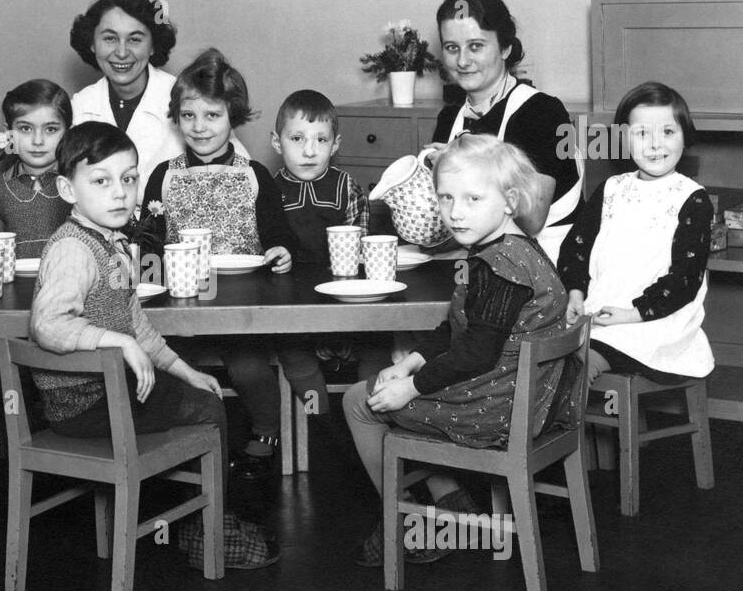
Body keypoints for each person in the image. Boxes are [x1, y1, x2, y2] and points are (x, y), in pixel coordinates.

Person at [29, 121, 278, 570]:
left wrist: (185, 371)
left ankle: (201, 514)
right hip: (83, 406)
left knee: (199, 390)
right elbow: (47, 324)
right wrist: (114, 340)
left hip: (100, 399)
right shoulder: (73, 250)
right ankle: (209, 529)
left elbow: (140, 328)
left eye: (128, 178)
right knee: (212, 410)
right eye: (101, 181)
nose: (120, 192)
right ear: (67, 190)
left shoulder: (116, 245)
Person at [343, 134, 575, 565]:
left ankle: (405, 521)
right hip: (529, 399)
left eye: (471, 198)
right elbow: (458, 329)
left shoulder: (499, 267)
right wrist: (412, 361)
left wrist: (412, 386)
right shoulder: (515, 247)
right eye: (446, 197)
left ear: (508, 201)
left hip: (497, 409)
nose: (455, 212)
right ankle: (446, 502)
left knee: (359, 401)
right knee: (385, 385)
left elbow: (476, 354)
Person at [140, 48, 298, 479]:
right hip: (181, 303)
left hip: (240, 302)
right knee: (169, 365)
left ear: (233, 116)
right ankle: (191, 437)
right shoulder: (163, 176)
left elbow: (277, 235)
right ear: (177, 118)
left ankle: (266, 430)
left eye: (212, 115)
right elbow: (149, 241)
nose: (199, 127)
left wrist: (280, 253)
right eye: (189, 116)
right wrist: (147, 272)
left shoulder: (254, 175)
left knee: (247, 367)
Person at [559, 81, 714, 383]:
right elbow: (575, 247)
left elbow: (685, 279)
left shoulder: (691, 198)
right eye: (642, 134)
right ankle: (530, 427)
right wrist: (575, 294)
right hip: (600, 313)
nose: (656, 144)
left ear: (685, 137)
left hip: (655, 323)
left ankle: (561, 419)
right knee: (539, 352)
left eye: (668, 132)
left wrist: (629, 315)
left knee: (575, 365)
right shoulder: (611, 189)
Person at [431, 0, 584, 263]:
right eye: (452, 48)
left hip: (546, 269)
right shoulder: (450, 119)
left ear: (505, 48)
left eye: (476, 46)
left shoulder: (542, 112)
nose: (463, 61)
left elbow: (532, 220)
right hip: (488, 263)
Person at [68, 0, 248, 201]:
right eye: (110, 38)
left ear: (153, 46)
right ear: (92, 44)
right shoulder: (80, 105)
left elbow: (240, 171)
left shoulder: (188, 98)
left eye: (135, 39)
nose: (122, 52)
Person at [271, 90, 387, 414]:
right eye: (297, 138)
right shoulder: (269, 190)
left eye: (321, 140)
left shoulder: (345, 186)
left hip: (346, 296)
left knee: (378, 342)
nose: (309, 150)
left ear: (335, 145)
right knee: (290, 349)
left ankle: (367, 413)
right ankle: (318, 416)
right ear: (277, 143)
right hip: (292, 303)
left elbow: (363, 249)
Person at [0, 79, 73, 259]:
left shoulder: (80, 186)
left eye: (50, 129)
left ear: (68, 132)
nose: (37, 141)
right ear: (8, 133)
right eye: (25, 128)